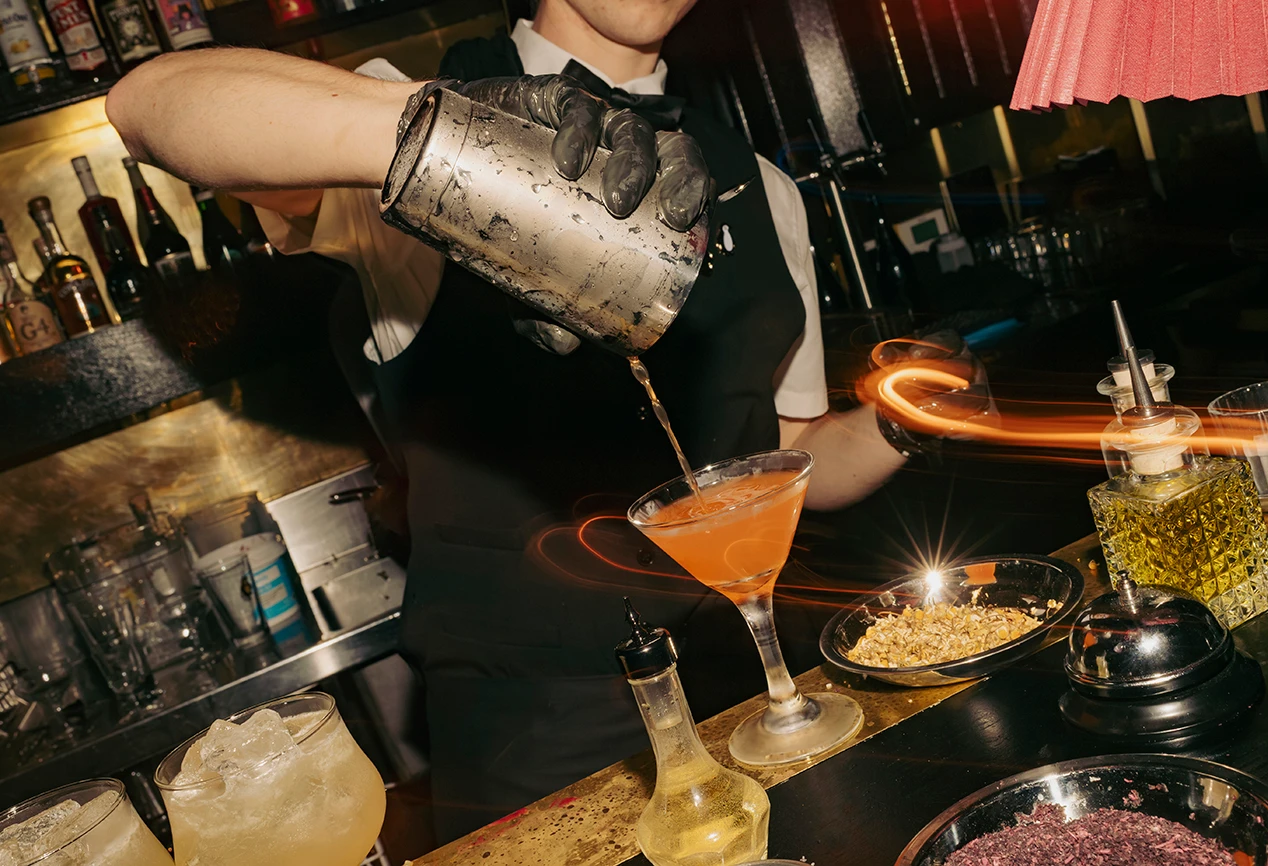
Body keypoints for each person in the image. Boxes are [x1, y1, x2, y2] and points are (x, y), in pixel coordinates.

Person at [106, 0, 908, 841]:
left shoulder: (763, 184)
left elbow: (787, 454)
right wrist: (434, 130)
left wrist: (900, 419)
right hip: (532, 728)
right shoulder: (400, 112)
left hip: (743, 686)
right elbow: (148, 104)